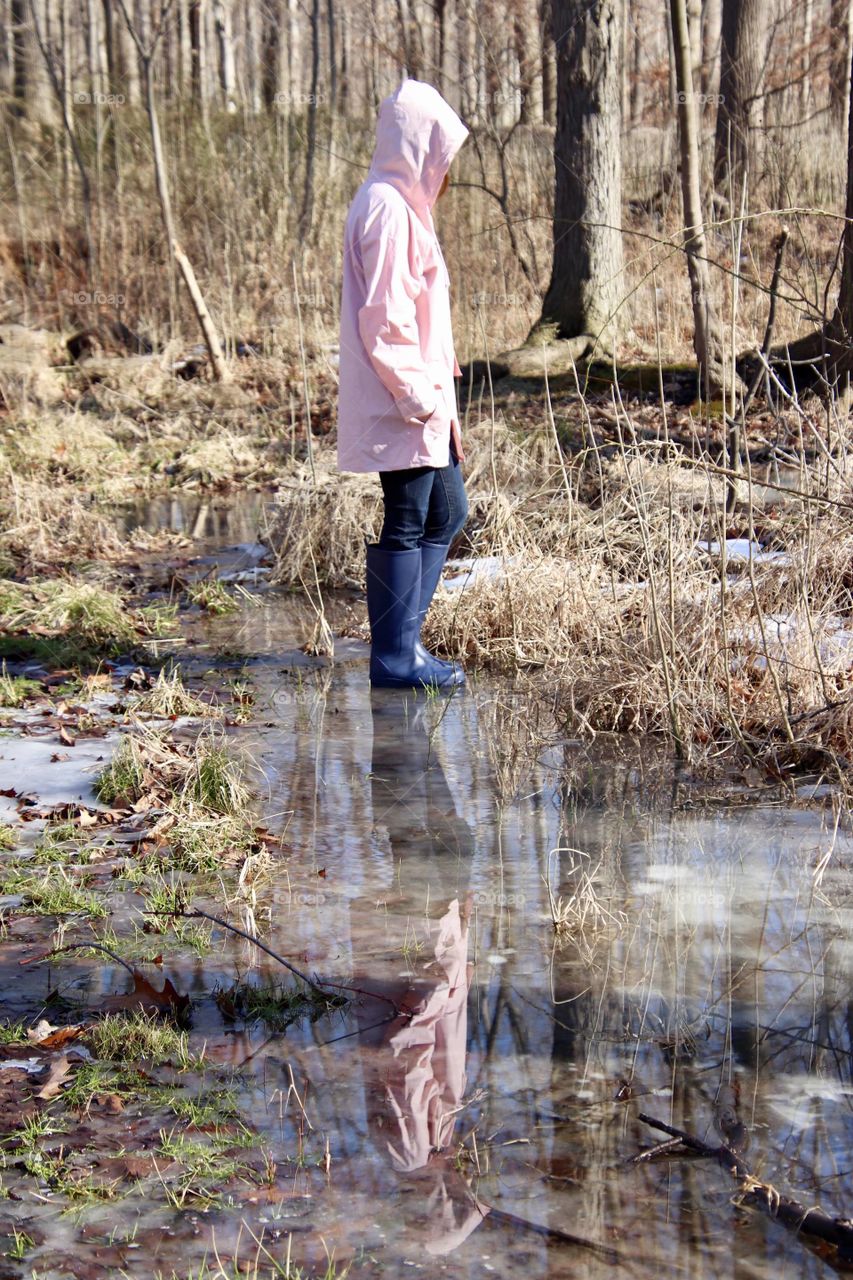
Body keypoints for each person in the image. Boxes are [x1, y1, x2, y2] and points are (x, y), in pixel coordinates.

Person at [337, 79, 470, 690]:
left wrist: (445, 407)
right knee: (414, 517)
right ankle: (395, 658)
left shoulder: (399, 206)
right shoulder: (388, 210)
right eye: (441, 153)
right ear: (418, 147)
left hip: (419, 400)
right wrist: (421, 401)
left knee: (444, 510)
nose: (446, 170)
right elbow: (384, 321)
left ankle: (404, 648)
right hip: (403, 401)